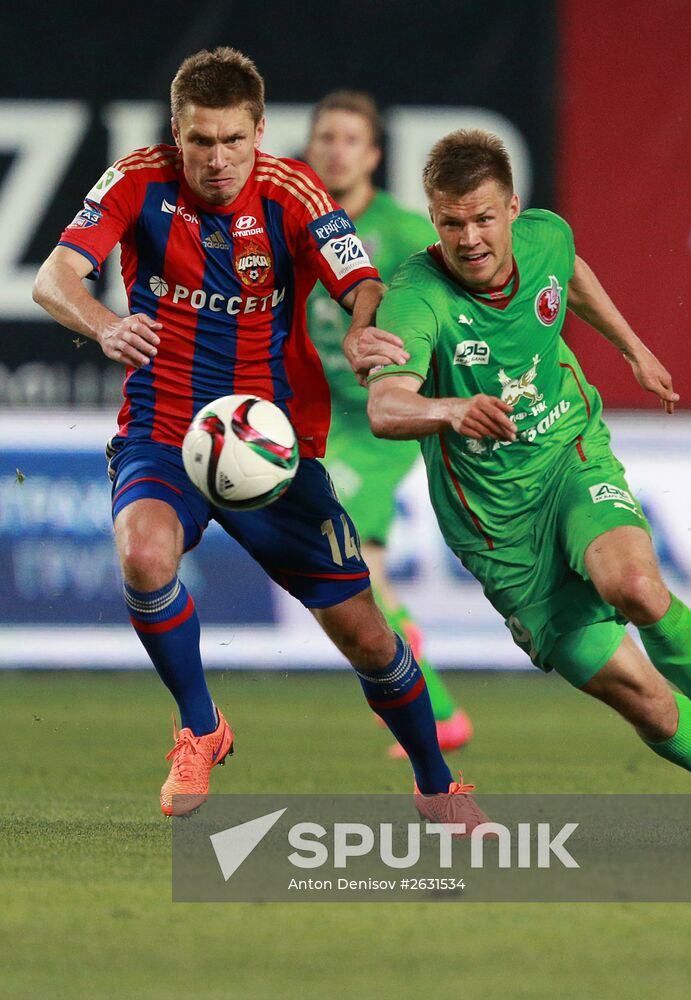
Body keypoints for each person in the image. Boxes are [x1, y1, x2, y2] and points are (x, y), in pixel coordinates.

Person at [31, 47, 475, 822]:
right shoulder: (136, 179)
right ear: (176, 134)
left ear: (260, 131)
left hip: (272, 448)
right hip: (165, 431)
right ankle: (199, 727)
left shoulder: (292, 190)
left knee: (369, 638)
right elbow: (53, 278)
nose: (218, 160)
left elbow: (361, 280)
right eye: (201, 141)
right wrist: (104, 325)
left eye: (234, 140)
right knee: (143, 555)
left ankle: (438, 788)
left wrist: (363, 328)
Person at [366, 128, 691, 846]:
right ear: (433, 219)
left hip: (569, 459)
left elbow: (569, 275)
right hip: (499, 535)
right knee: (648, 704)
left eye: (483, 218)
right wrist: (449, 410)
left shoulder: (546, 237)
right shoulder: (417, 297)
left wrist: (632, 347)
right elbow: (387, 406)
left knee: (634, 586)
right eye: (451, 223)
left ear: (513, 209)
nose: (469, 239)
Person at [304, 90, 472, 756]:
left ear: (372, 156)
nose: (336, 150)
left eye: (350, 139)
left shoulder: (400, 232)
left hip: (381, 418)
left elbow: (458, 297)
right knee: (343, 563)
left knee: (348, 553)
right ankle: (429, 696)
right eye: (326, 137)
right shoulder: (294, 221)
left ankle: (414, 678)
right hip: (318, 418)